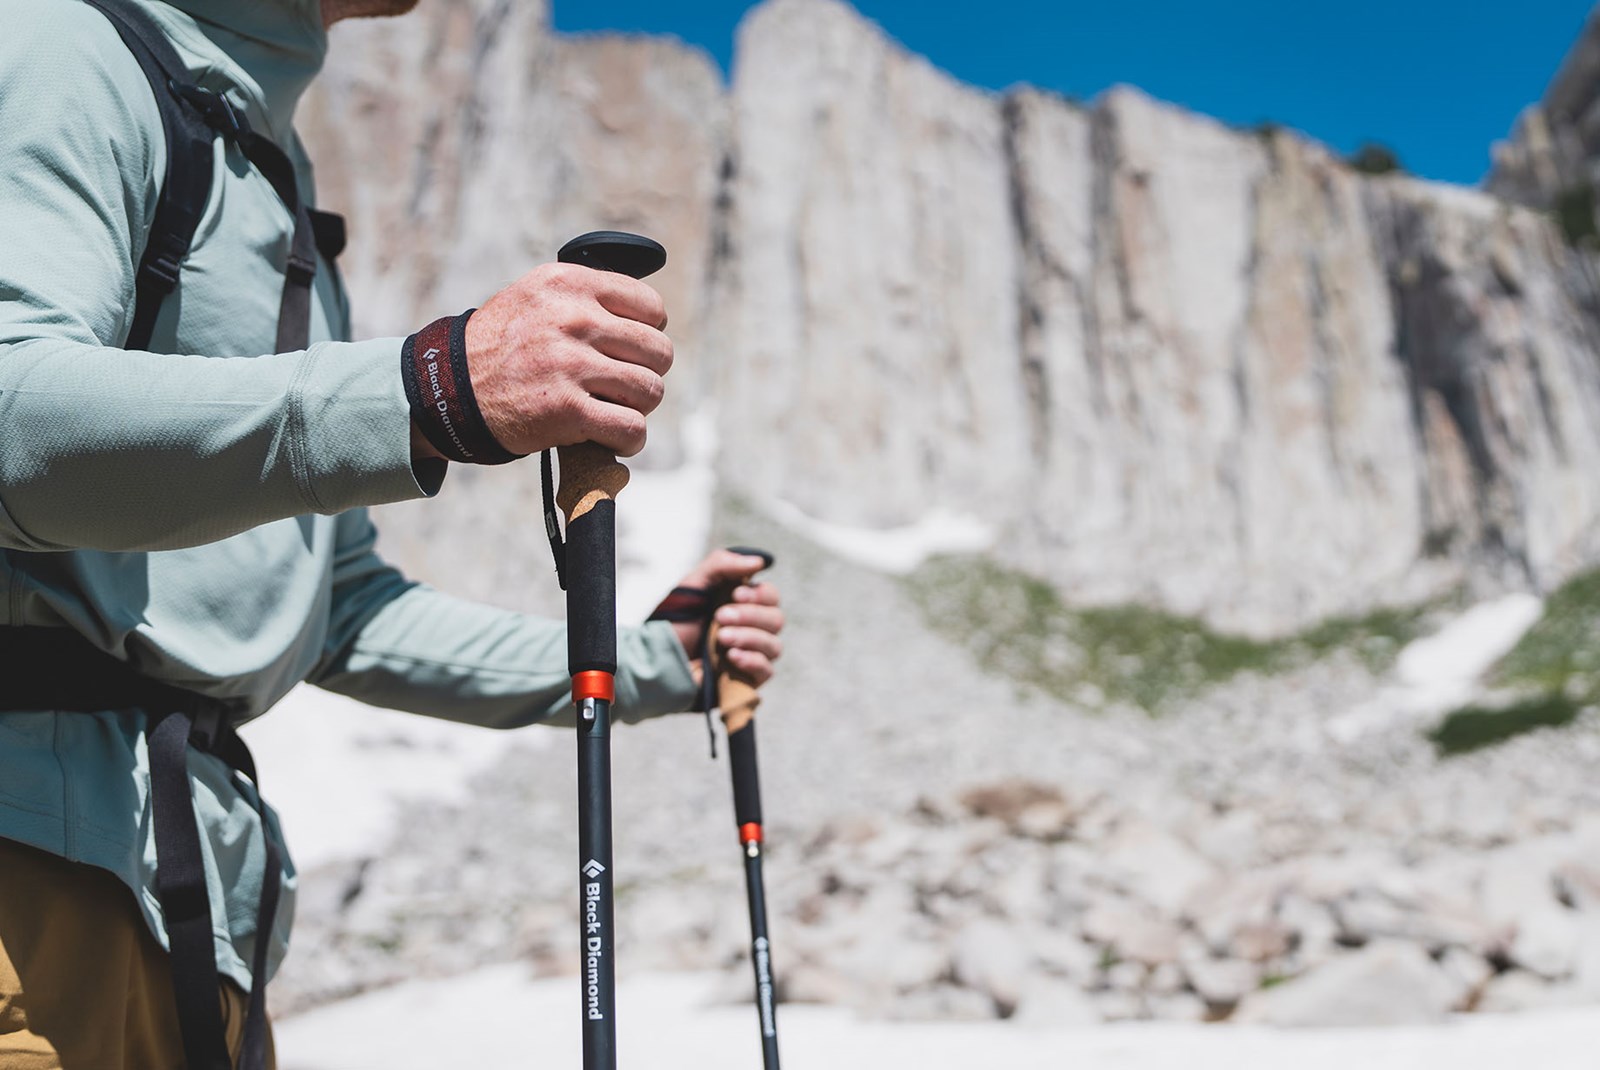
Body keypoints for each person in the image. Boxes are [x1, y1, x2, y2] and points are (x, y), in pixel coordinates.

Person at [0, 0, 784, 1066]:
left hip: (190, 905)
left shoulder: (264, 162)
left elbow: (340, 610)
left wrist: (659, 662)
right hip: (32, 875)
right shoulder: (61, 43)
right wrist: (424, 389)